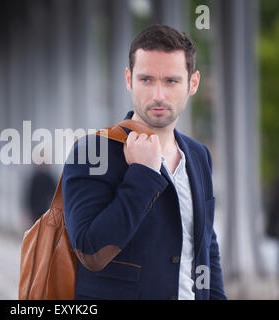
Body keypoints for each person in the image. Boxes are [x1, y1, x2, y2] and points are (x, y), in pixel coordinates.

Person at [62, 24, 226, 300]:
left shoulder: (199, 156)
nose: (158, 95)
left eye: (171, 81)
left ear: (193, 83)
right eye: (146, 80)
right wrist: (142, 175)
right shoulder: (92, 153)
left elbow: (206, 246)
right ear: (129, 79)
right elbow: (91, 251)